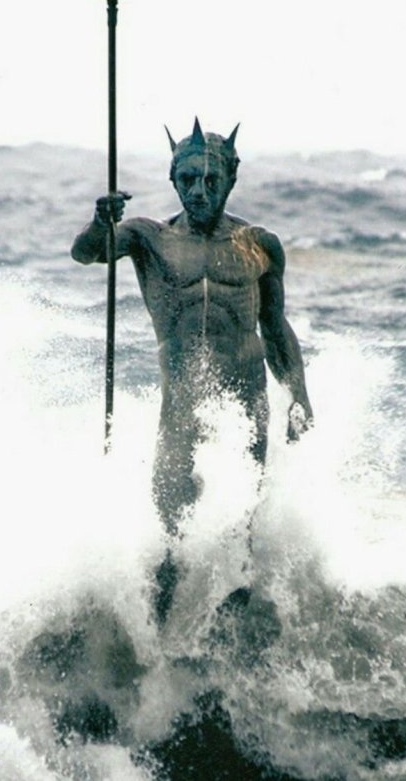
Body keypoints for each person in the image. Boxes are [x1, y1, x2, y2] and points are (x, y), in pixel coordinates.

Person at [72, 119, 312, 620]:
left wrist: (299, 397)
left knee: (241, 534)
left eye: (210, 180)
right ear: (172, 180)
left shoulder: (258, 244)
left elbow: (276, 328)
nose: (199, 191)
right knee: (171, 542)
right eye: (187, 181)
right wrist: (102, 220)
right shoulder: (148, 238)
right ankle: (157, 650)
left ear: (230, 179)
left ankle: (235, 647)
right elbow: (88, 253)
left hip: (246, 407)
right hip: (180, 410)